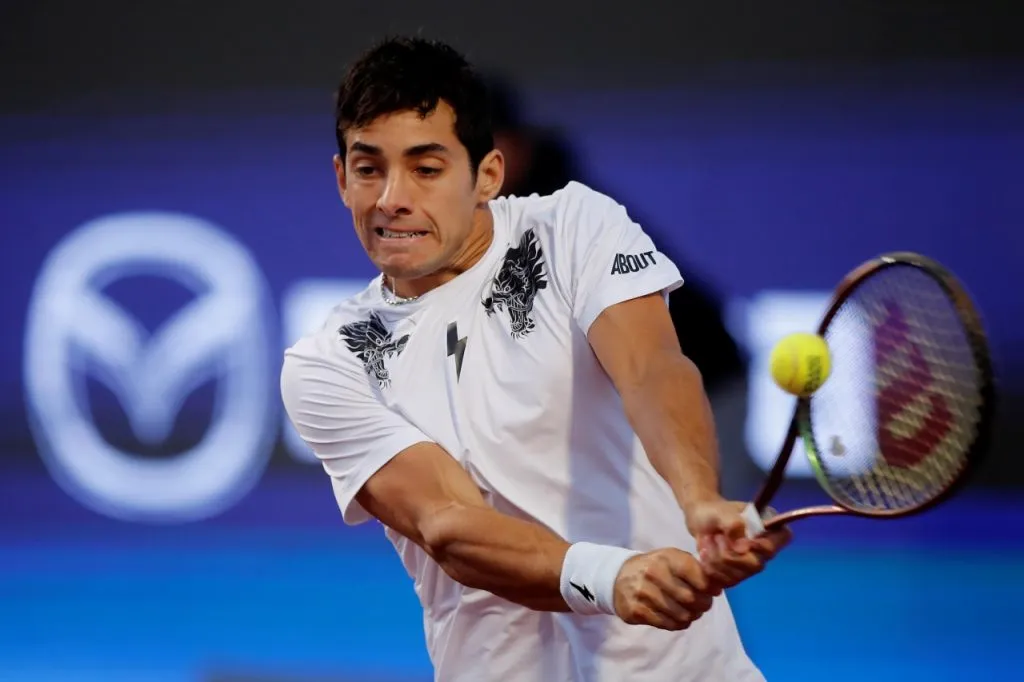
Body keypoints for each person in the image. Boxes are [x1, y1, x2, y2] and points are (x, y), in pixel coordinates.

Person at [281, 37, 791, 682]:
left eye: (427, 167)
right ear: (341, 178)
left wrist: (700, 502)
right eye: (369, 168)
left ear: (488, 175)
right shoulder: (329, 363)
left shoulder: (572, 224)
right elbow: (449, 524)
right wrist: (613, 577)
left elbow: (650, 367)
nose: (391, 198)